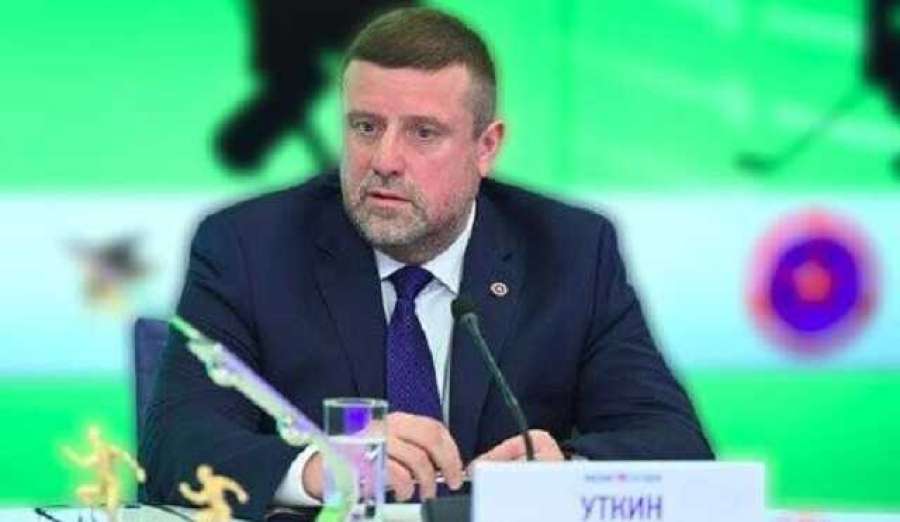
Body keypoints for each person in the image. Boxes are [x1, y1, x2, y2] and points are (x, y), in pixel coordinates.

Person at [140, 7, 713, 520]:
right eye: (366, 126)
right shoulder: (248, 246)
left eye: (423, 132)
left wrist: (563, 470)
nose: (385, 160)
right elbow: (174, 447)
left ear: (486, 147)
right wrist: (325, 469)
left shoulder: (571, 251)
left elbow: (676, 446)